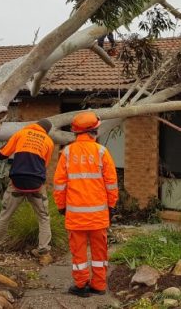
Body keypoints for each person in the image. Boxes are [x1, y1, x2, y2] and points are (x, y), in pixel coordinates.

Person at [53, 111, 119, 297]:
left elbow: (59, 183)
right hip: (98, 215)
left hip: (75, 215)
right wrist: (111, 205)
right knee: (100, 252)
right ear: (93, 131)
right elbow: (111, 183)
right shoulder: (102, 152)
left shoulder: (66, 153)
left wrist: (61, 206)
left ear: (76, 132)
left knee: (79, 253)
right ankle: (99, 285)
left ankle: (81, 286)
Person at [0, 120, 55, 257]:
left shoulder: (21, 134)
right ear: (46, 131)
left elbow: (1, 154)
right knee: (44, 218)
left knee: (5, 215)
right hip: (36, 184)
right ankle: (43, 251)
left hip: (17, 181)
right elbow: (44, 164)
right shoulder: (49, 141)